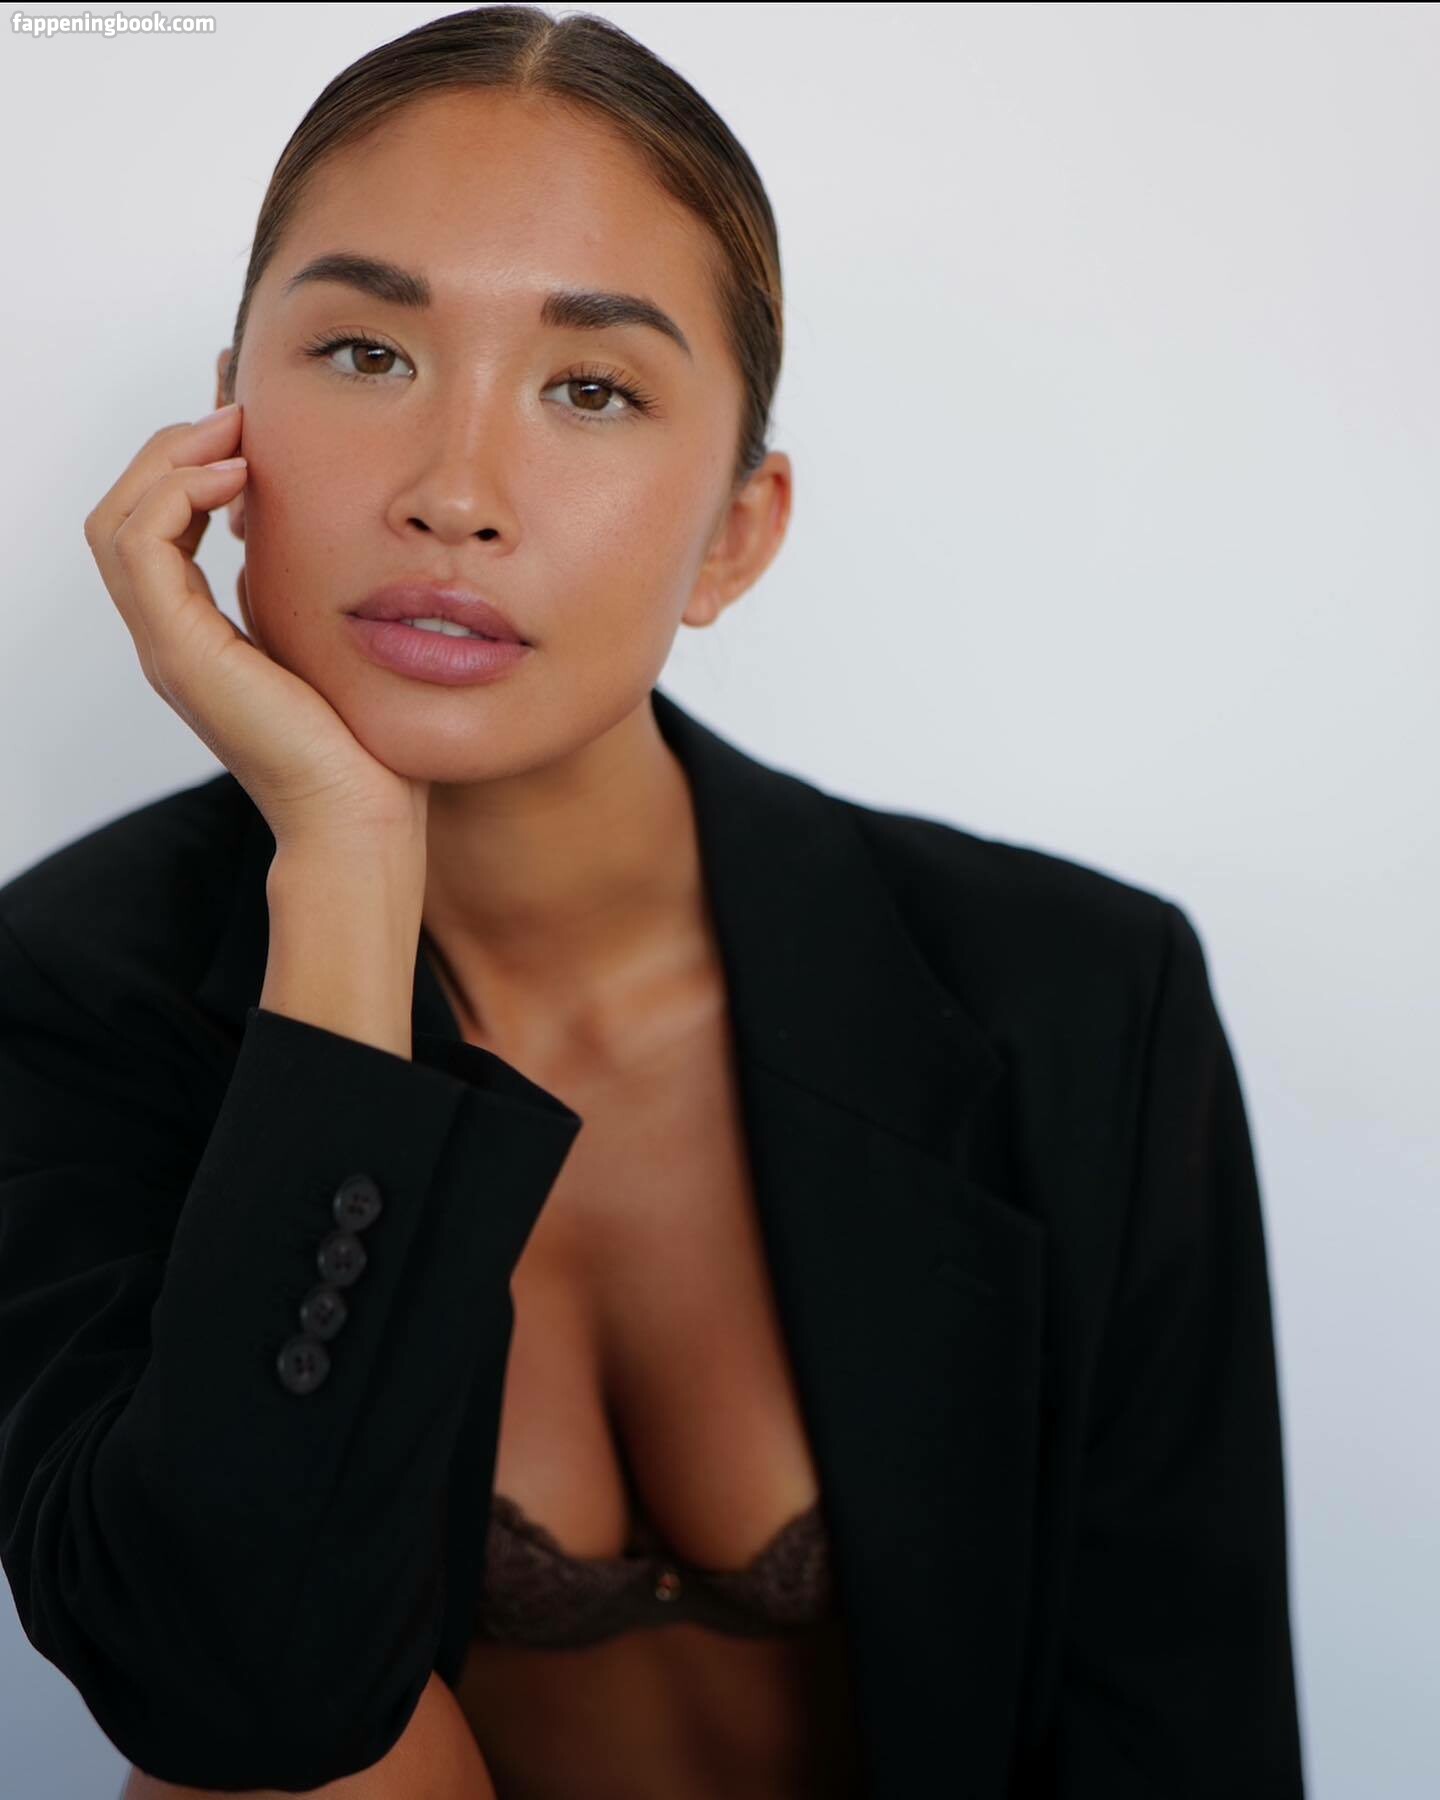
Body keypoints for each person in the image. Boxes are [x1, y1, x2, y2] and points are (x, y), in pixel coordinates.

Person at [0, 6, 1305, 1797]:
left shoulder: (1078, 995)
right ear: (228, 426)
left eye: (591, 389)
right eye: (368, 353)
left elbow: (1190, 1732)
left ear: (736, 535)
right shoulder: (69, 994)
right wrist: (347, 858)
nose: (455, 493)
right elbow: (235, 1699)